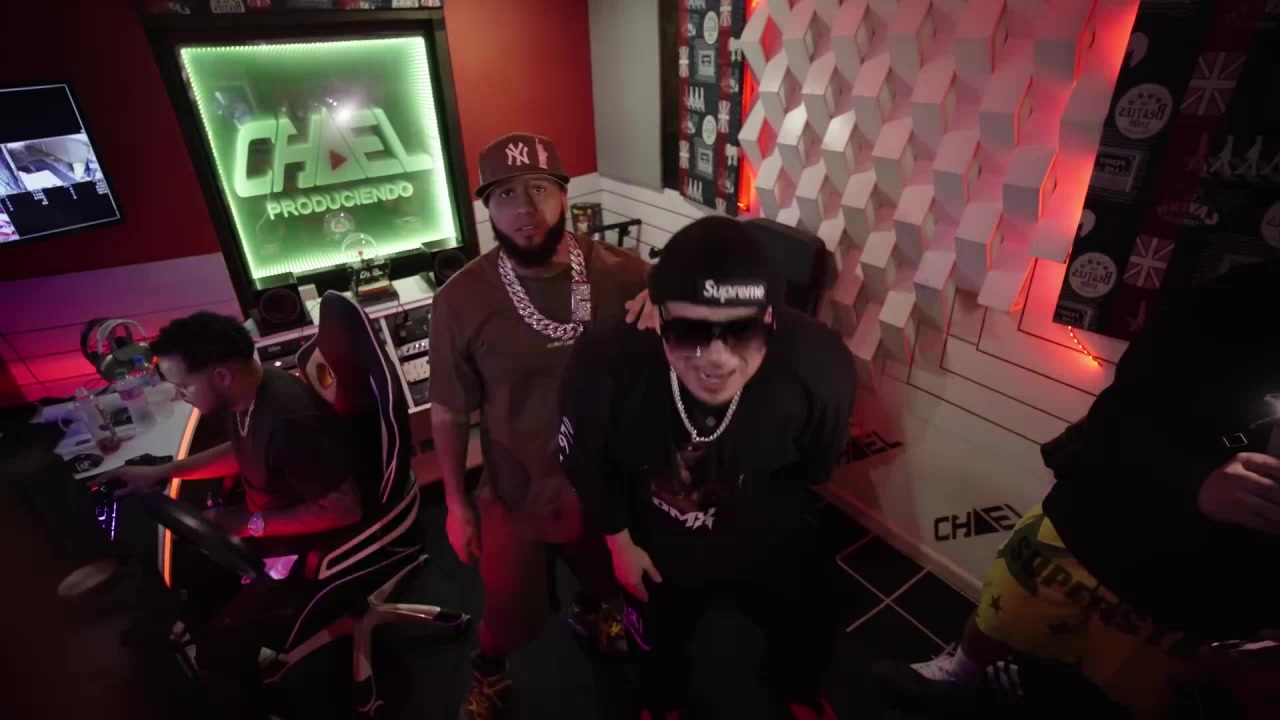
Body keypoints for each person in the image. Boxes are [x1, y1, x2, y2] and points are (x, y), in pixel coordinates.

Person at [876, 258, 1280, 718]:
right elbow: (1118, 412)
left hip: (1195, 588)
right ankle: (961, 677)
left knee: (1117, 690)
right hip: (1092, 520)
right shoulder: (1236, 297)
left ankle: (1014, 684)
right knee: (1005, 613)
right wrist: (1195, 481)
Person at [559, 216, 856, 720]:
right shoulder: (607, 359)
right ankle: (662, 701)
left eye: (741, 330)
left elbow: (814, 466)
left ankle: (795, 687)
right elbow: (583, 459)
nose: (716, 358)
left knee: (805, 621)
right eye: (691, 330)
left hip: (768, 531)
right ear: (659, 317)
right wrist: (618, 543)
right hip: (656, 539)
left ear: (770, 318)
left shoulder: (819, 365)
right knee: (656, 645)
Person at [428, 132, 650, 719]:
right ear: (487, 207)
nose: (524, 208)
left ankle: (594, 614)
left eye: (538, 189)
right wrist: (455, 503)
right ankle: (489, 671)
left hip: (603, 488)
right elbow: (449, 408)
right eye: (505, 194)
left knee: (611, 582)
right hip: (515, 490)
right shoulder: (460, 299)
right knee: (504, 612)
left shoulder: (627, 274)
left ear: (564, 195)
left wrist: (670, 306)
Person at [92, 311, 363, 719]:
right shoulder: (252, 393)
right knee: (196, 578)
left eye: (184, 385)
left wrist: (250, 524)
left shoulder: (290, 421)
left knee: (219, 644)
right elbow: (242, 449)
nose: (179, 395)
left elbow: (344, 509)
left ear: (220, 376)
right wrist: (163, 472)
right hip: (271, 520)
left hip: (309, 545)